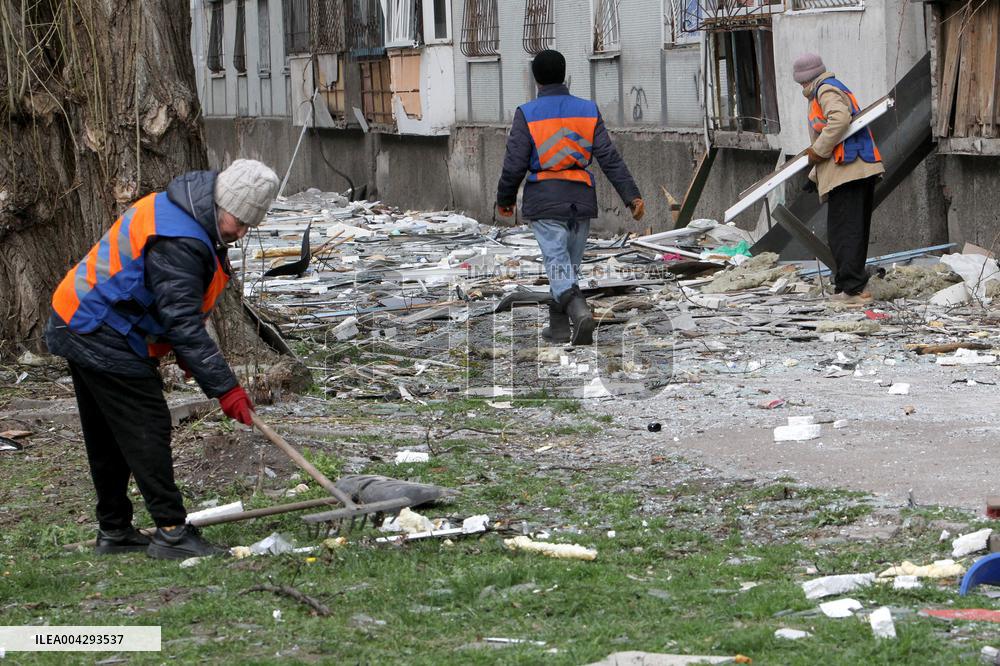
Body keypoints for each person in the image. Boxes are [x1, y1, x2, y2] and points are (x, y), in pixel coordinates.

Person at [45, 159, 279, 559]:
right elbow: (183, 324)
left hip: (80, 316)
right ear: (220, 203)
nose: (240, 233)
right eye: (237, 221)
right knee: (145, 426)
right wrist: (226, 390)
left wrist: (191, 357)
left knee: (109, 433)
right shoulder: (181, 240)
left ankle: (115, 530)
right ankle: (171, 531)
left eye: (248, 226)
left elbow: (175, 312)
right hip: (100, 327)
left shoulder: (184, 207)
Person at [496, 49, 644, 345]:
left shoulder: (527, 113)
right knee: (566, 269)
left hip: (546, 198)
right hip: (580, 199)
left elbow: (514, 162)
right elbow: (609, 158)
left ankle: (579, 313)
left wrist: (505, 199)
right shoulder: (588, 110)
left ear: (536, 79)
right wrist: (632, 196)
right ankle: (560, 328)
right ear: (564, 75)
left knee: (557, 265)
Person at [793, 53, 885, 306]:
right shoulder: (828, 89)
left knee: (845, 233)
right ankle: (849, 286)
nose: (801, 87)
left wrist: (817, 151)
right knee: (846, 232)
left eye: (802, 82)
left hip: (850, 171)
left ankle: (853, 291)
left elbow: (840, 119)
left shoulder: (825, 90)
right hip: (850, 169)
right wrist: (814, 176)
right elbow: (836, 139)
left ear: (809, 78)